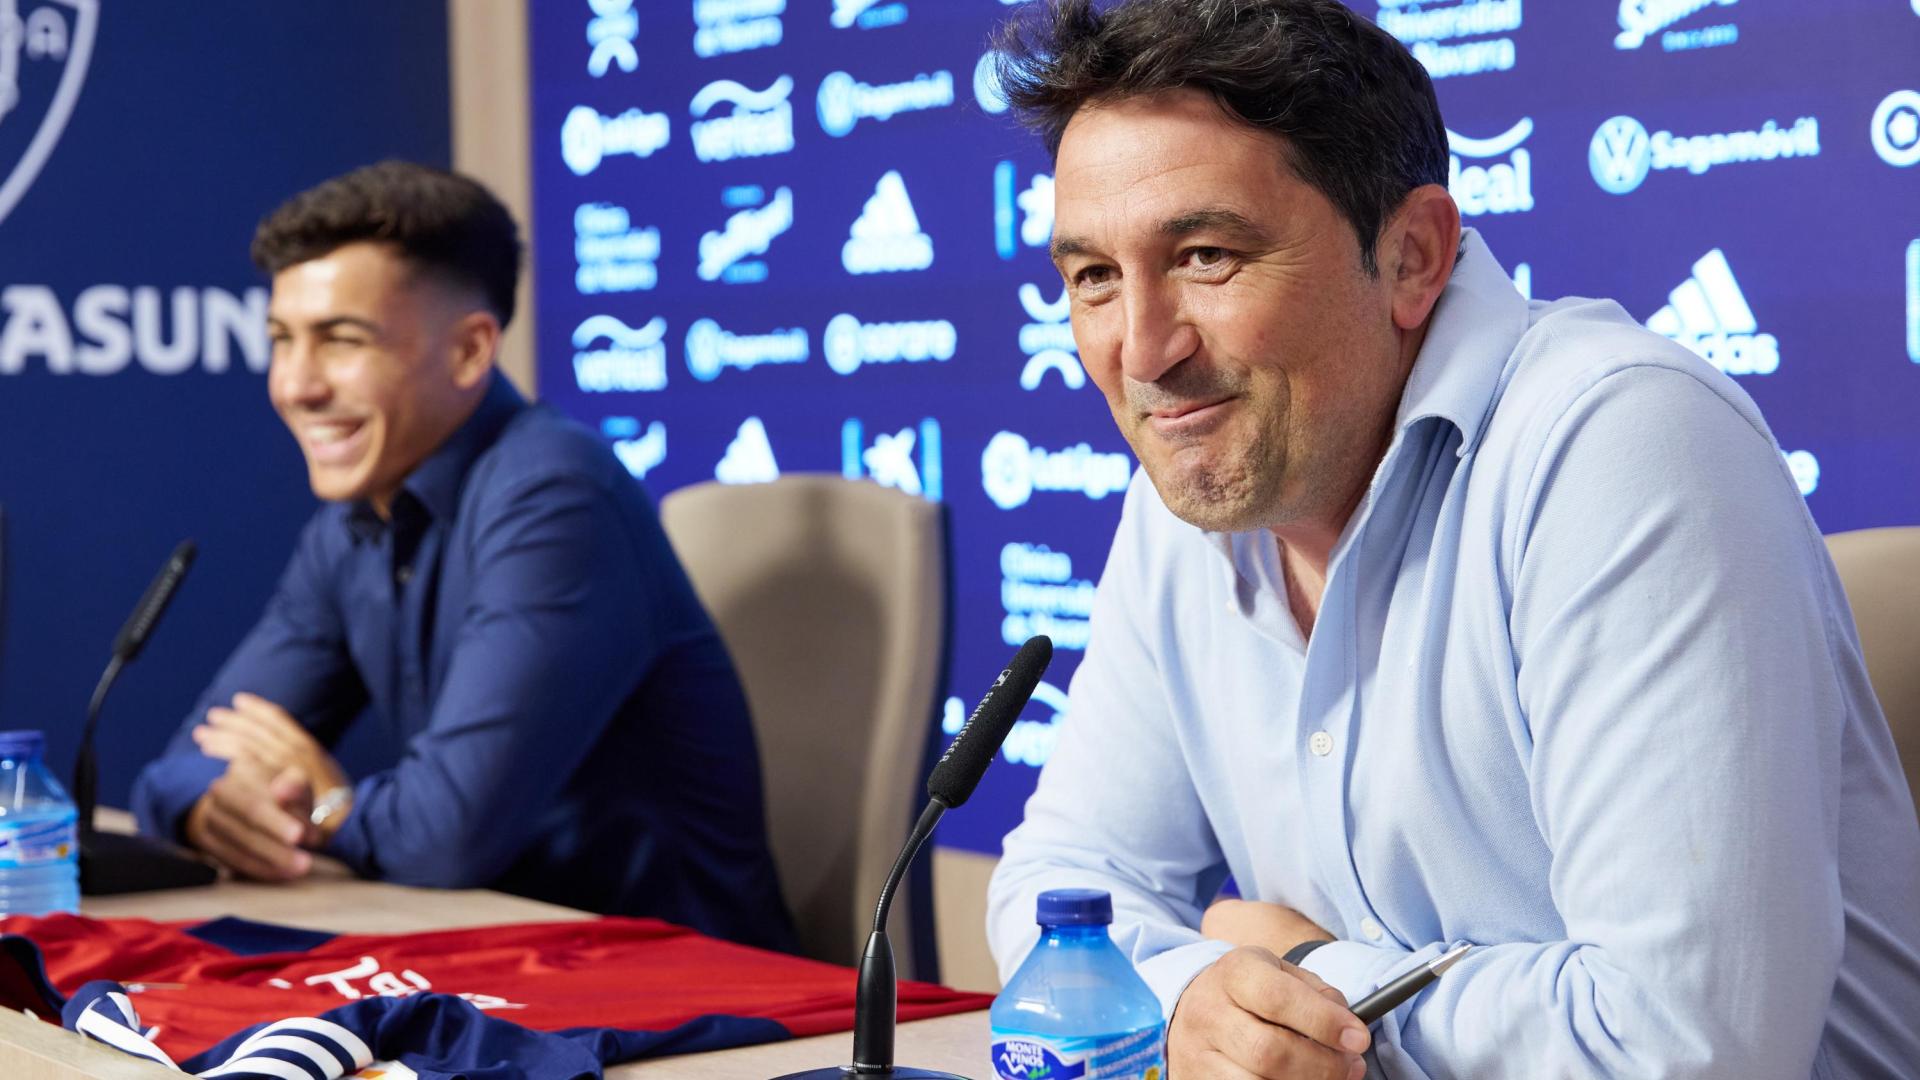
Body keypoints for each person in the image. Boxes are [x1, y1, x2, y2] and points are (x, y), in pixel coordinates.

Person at [983, 2, 1920, 1077]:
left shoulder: (1622, 445)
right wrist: (1197, 991)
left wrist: (1307, 968)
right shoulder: (1188, 500)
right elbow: (1060, 899)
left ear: (1414, 256)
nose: (1142, 350)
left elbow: (1689, 1048)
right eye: (1092, 277)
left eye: (1204, 255)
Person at [132, 161, 795, 952]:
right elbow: (182, 764)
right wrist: (213, 807)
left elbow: (442, 838)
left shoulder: (557, 495)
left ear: (471, 351)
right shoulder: (352, 522)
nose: (296, 385)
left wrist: (327, 808)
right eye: (282, 340)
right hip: (498, 966)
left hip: (691, 1003)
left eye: (341, 340)